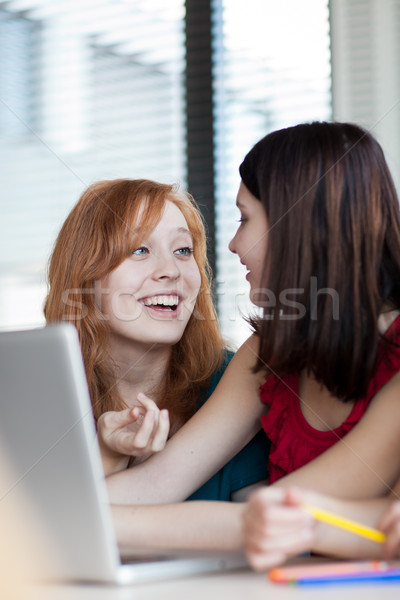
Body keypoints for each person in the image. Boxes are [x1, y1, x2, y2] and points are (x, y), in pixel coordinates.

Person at [103, 123, 400, 560]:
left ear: (299, 225)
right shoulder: (266, 354)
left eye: (245, 218)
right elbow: (158, 483)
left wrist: (70, 522)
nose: (232, 244)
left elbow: (283, 513)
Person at [44, 178, 269, 501]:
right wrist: (107, 458)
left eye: (183, 250)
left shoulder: (232, 383)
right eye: (139, 249)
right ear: (84, 277)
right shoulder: (36, 398)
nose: (171, 270)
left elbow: (260, 530)